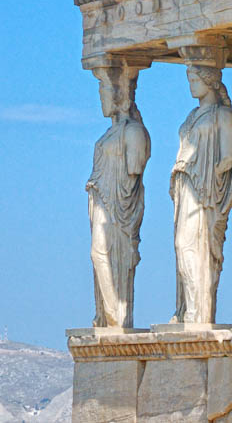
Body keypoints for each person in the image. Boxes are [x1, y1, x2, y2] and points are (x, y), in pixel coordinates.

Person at [170, 65, 232, 324]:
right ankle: (189, 308)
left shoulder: (224, 116)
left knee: (191, 246)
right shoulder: (191, 115)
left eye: (195, 79)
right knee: (183, 247)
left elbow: (227, 159)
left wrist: (217, 167)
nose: (191, 84)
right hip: (185, 185)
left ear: (209, 81)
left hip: (205, 191)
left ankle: (198, 312)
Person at [86, 67, 150, 328]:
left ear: (119, 95)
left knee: (102, 254)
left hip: (117, 206)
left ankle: (117, 315)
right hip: (102, 199)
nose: (101, 97)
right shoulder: (113, 132)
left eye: (104, 91)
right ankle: (107, 315)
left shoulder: (133, 132)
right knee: (99, 255)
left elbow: (134, 172)